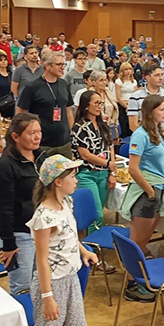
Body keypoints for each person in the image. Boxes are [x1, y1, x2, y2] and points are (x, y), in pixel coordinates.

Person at [28, 155, 121, 326]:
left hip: (70, 280)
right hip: (51, 286)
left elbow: (69, 234)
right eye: (72, 176)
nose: (76, 179)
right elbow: (42, 260)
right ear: (58, 182)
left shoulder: (66, 202)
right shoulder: (44, 216)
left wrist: (82, 251)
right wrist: (47, 297)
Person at [119, 94, 164, 302]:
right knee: (137, 242)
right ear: (151, 112)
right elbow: (133, 168)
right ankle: (132, 284)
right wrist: (149, 191)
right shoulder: (140, 135)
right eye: (161, 109)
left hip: (157, 188)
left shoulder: (157, 132)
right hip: (146, 193)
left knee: (144, 240)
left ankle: (139, 279)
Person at [0, 114, 46, 295]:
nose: (37, 137)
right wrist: (9, 243)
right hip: (20, 234)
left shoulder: (41, 158)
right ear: (15, 137)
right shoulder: (5, 166)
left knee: (40, 284)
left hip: (42, 230)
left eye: (39, 132)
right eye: (31, 133)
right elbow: (4, 208)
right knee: (22, 288)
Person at [71, 90, 117, 234]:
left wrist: (112, 171)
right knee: (97, 215)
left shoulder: (103, 124)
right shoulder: (79, 128)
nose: (99, 106)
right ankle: (92, 247)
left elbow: (110, 147)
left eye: (101, 103)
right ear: (86, 106)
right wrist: (107, 164)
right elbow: (85, 155)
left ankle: (93, 241)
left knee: (99, 212)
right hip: (87, 174)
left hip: (103, 174)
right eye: (96, 103)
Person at [16, 51, 74, 158]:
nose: (62, 68)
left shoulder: (63, 84)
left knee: (67, 174)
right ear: (47, 66)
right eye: (59, 64)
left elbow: (68, 111)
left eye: (63, 64)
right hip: (42, 144)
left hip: (64, 143)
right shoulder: (32, 87)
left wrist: (72, 134)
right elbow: (20, 113)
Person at [127, 62, 164, 137]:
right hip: (144, 140)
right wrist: (149, 137)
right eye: (157, 75)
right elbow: (133, 124)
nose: (161, 78)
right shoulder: (135, 97)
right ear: (147, 77)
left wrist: (163, 135)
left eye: (162, 75)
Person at [89, 70, 119, 141]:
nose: (104, 82)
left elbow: (114, 109)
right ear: (93, 82)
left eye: (105, 80)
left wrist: (115, 127)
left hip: (110, 126)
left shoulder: (108, 92)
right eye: (101, 80)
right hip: (96, 127)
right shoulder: (89, 94)